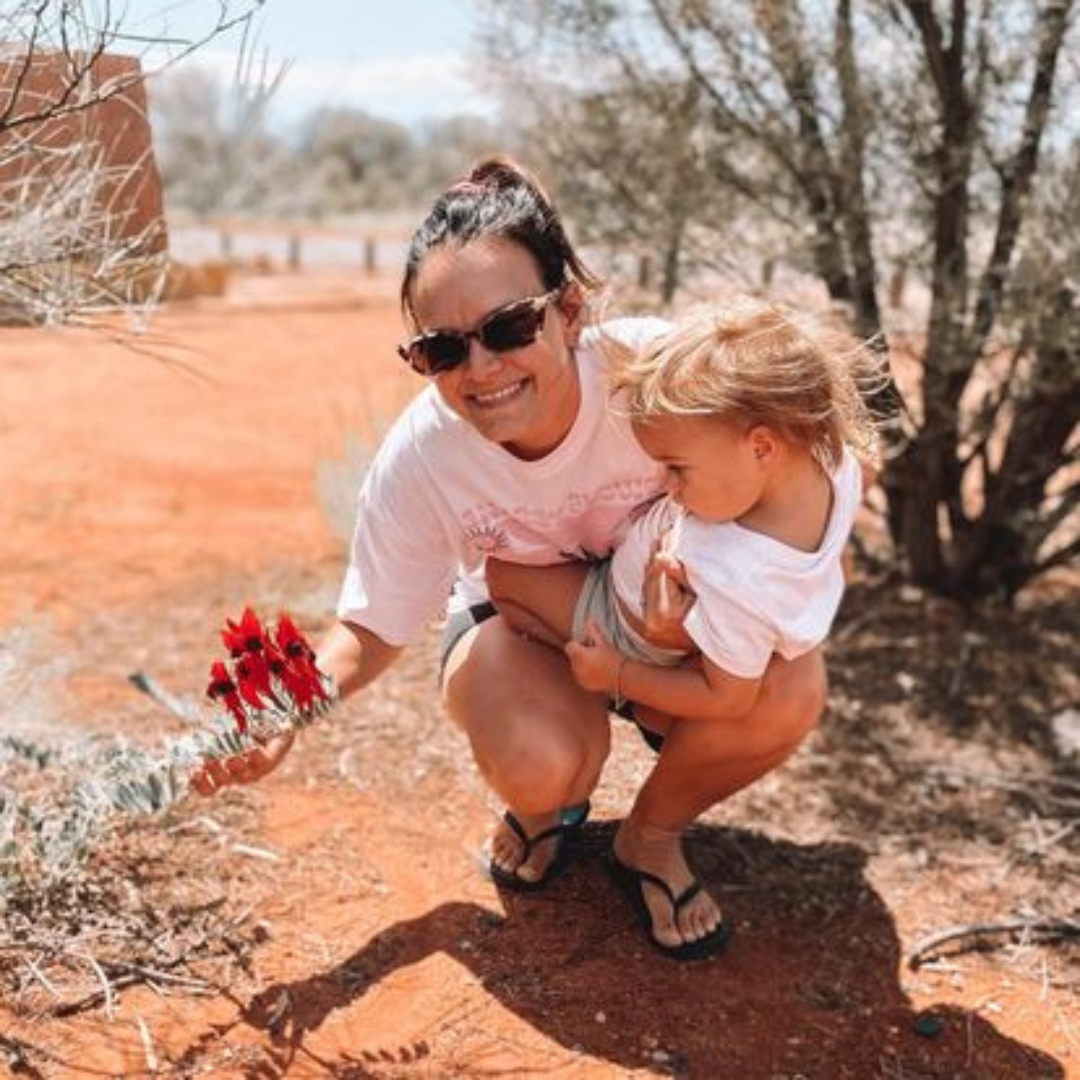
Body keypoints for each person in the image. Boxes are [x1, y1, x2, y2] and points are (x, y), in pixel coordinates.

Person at [190, 157, 827, 961]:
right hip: (519, 622)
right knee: (543, 761)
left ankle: (650, 840)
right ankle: (544, 809)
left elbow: (796, 455)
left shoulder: (657, 376)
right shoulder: (424, 456)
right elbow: (372, 626)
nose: (481, 369)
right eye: (442, 350)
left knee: (790, 685)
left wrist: (714, 609)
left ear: (568, 310)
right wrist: (284, 707)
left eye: (509, 327)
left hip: (662, 621)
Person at [484, 300, 875, 954]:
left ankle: (639, 811)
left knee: (504, 581)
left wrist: (619, 672)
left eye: (677, 468)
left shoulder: (732, 570)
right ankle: (635, 720)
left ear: (760, 446)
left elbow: (730, 698)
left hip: (627, 626)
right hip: (684, 634)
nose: (664, 486)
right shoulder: (832, 461)